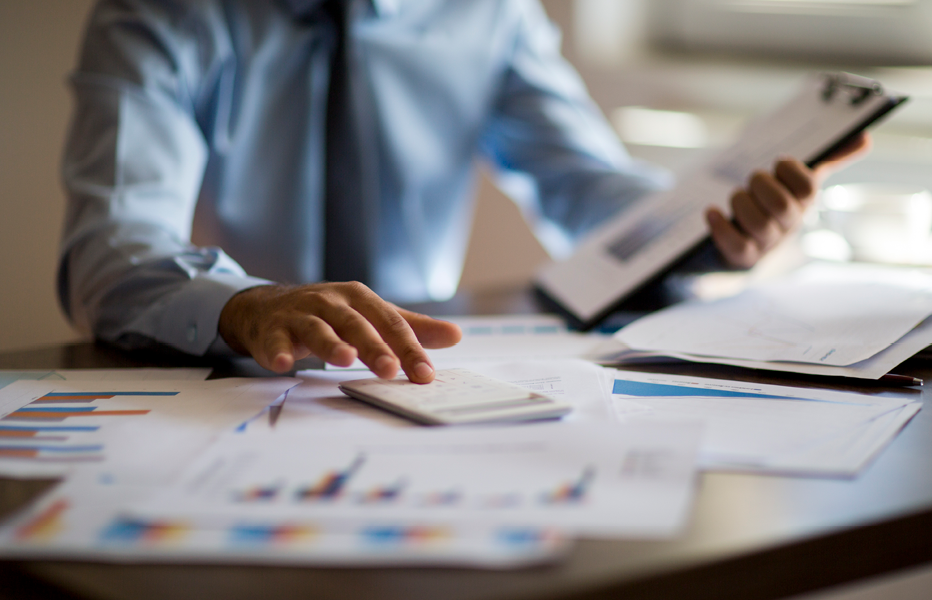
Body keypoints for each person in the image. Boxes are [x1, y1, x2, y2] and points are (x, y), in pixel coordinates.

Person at [58, 0, 868, 384]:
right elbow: (111, 245)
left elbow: (588, 190)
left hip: (421, 377)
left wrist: (715, 229)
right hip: (227, 377)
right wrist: (246, 305)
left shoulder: (491, 14)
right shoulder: (158, 14)